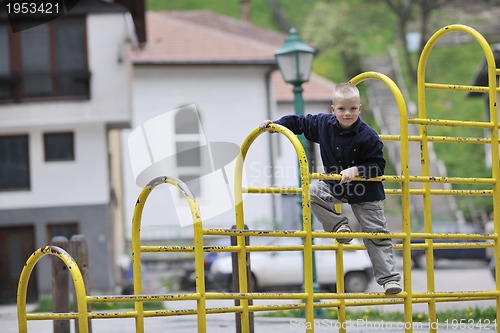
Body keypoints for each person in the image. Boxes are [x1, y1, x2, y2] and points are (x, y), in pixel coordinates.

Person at [259, 82, 402, 294]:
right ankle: (338, 227)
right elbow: (300, 122)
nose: (347, 113)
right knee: (312, 192)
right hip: (336, 186)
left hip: (366, 192)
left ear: (359, 109)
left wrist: (357, 170)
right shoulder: (323, 124)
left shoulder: (368, 135)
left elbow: (378, 167)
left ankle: (389, 279)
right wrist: (276, 125)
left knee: (376, 233)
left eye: (353, 109)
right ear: (333, 109)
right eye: (342, 109)